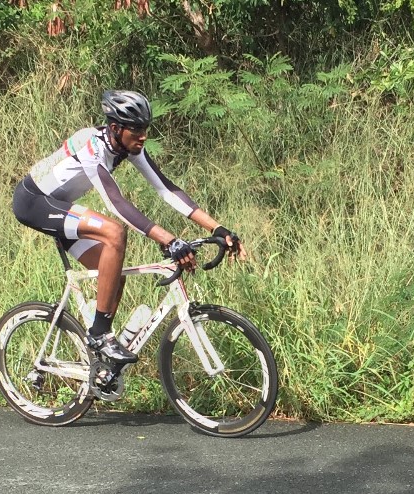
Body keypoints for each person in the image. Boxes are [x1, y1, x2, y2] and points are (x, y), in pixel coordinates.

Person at [13, 90, 246, 363]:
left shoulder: (126, 145)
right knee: (114, 232)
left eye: (145, 129)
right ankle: (99, 335)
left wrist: (217, 228)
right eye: (136, 131)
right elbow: (116, 204)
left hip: (61, 205)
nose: (143, 137)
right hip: (34, 202)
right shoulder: (91, 146)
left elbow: (166, 189)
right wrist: (168, 239)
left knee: (113, 275)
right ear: (115, 128)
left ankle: (101, 361)